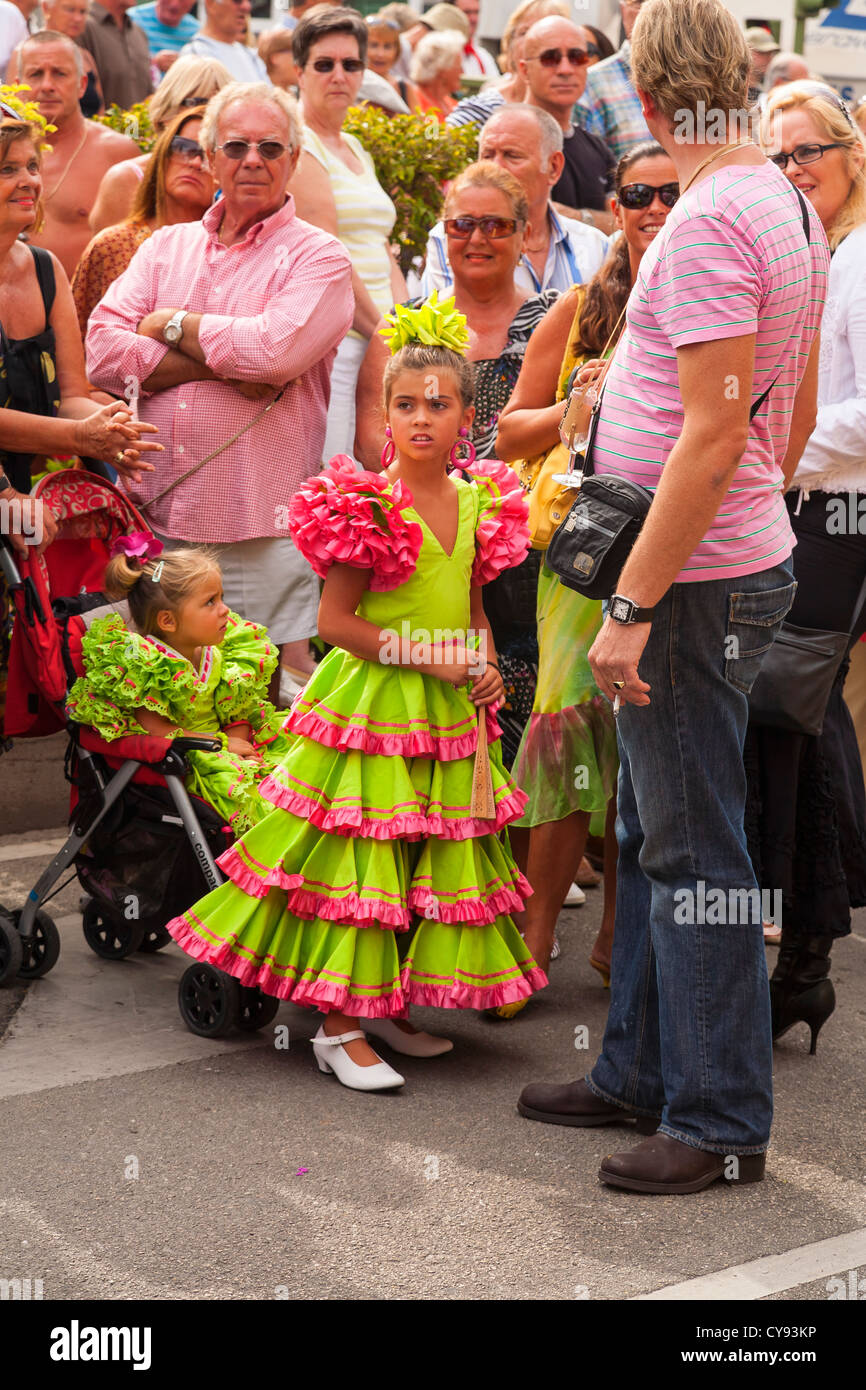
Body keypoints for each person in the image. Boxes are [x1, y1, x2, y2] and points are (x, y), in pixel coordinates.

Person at [517, 0, 829, 1195]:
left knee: (693, 843)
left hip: (691, 579)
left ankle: (714, 1119)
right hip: (724, 556)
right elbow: (775, 414)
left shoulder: (707, 220)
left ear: (642, 99)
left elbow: (710, 434)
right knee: (656, 830)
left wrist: (634, 602)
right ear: (737, 84)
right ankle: (640, 1071)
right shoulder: (780, 198)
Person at [163, 298, 544, 1092]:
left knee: (419, 856)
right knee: (360, 858)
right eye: (404, 404)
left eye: (439, 404)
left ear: (465, 417)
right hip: (372, 703)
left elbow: (473, 607)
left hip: (444, 708)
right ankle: (336, 1027)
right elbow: (335, 623)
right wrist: (426, 658)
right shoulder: (367, 504)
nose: (420, 418)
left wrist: (480, 666)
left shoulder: (480, 502)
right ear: (384, 414)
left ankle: (384, 1002)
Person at [85, 81, 353, 701]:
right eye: (235, 145)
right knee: (161, 701)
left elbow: (274, 353)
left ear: (294, 158)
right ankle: (161, 806)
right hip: (158, 521)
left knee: (263, 703)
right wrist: (222, 360)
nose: (252, 159)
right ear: (209, 157)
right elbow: (102, 351)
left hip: (259, 529)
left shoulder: (321, 258)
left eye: (269, 146)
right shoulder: (164, 247)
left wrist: (170, 324)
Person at [497, 140, 679, 1001]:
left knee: (636, 740)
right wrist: (581, 404)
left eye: (672, 193)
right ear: (615, 207)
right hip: (581, 552)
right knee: (566, 728)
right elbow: (506, 434)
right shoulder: (580, 306)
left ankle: (614, 935)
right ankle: (535, 940)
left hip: (675, 550)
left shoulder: (709, 299)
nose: (654, 207)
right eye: (637, 193)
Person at [744, 82, 866, 1050]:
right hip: (801, 508)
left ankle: (800, 958)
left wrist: (772, 445)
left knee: (789, 719)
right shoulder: (813, 252)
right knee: (800, 727)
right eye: (777, 157)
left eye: (809, 150)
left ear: (851, 150)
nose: (795, 170)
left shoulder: (862, 254)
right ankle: (800, 961)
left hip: (834, 515)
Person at [0, 106, 160, 546]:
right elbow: (71, 427)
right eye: (7, 169)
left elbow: (71, 395)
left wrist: (116, 429)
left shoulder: (45, 268)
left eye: (32, 166)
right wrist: (5, 497)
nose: (29, 180)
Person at [67, 544, 294, 832]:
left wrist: (241, 747)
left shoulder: (226, 651)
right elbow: (157, 731)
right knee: (262, 799)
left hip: (226, 746)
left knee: (301, 766)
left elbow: (237, 711)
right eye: (210, 602)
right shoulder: (146, 665)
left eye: (222, 597)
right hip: (187, 757)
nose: (225, 610)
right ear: (168, 621)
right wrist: (223, 747)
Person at [291, 6, 405, 463]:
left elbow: (381, 246)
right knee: (337, 475)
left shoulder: (354, 145)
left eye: (351, 64)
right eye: (324, 64)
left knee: (383, 477)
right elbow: (330, 260)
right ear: (299, 71)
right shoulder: (300, 145)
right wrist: (383, 330)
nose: (339, 75)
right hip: (339, 342)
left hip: (382, 335)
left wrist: (403, 322)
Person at [422, 104, 609, 298]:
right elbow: (447, 322)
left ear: (553, 167)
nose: (496, 168)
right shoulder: (450, 239)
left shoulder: (595, 247)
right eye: (487, 155)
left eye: (512, 156)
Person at [72, 105, 215, 336]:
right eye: (183, 147)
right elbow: (76, 342)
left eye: (210, 155)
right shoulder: (111, 246)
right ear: (162, 154)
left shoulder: (232, 255)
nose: (195, 163)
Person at [17, 31, 141, 279]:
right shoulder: (4, 150)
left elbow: (137, 252)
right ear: (18, 83)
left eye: (60, 73)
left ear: (82, 85)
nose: (47, 85)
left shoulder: (117, 152)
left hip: (85, 310)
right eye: (36, 74)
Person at [88, 54, 231, 234]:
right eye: (197, 104)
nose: (206, 116)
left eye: (216, 107)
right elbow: (107, 255)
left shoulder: (229, 183)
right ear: (167, 110)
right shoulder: (127, 179)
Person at [520, 15, 614, 229]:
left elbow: (622, 222)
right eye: (550, 58)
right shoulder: (503, 138)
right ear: (525, 70)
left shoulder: (597, 148)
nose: (565, 69)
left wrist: (577, 217)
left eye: (577, 57)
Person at [446, 0, 567, 132]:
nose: (533, 40)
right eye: (525, 32)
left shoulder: (571, 109)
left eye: (547, 33)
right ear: (510, 44)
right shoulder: (485, 110)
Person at [576, 0, 650, 162]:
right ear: (623, 10)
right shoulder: (591, 84)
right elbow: (590, 173)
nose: (651, 10)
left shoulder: (699, 77)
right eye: (640, 2)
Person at [7, 0, 104, 117]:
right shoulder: (24, 52)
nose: (78, 18)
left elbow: (100, 110)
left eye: (83, 12)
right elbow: (16, 111)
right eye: (70, 10)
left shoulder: (86, 56)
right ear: (46, 8)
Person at [78, 0, 153, 110]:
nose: (77, 15)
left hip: (136, 126)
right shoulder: (80, 26)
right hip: (98, 124)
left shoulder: (138, 32)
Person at [179, 0, 266, 83]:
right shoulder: (194, 54)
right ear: (210, 4)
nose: (246, 7)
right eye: (237, 1)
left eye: (249, 1)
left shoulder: (251, 55)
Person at [130, 0, 200, 82]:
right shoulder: (131, 20)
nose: (174, 4)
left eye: (182, 0)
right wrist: (153, 64)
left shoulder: (197, 32)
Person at [409, 28, 464, 119]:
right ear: (442, 68)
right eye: (459, 67)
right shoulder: (413, 101)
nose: (461, 72)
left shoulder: (454, 105)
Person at [365, 13, 416, 108]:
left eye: (387, 47)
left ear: (397, 51)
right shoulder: (352, 85)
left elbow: (419, 121)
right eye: (374, 45)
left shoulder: (404, 88)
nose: (381, 54)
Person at [447, 0, 498, 80]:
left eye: (476, 12)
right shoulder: (439, 57)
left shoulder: (484, 57)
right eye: (467, 12)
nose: (473, 19)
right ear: (450, 15)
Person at [745, 24, 779, 103]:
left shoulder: (764, 94)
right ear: (746, 52)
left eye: (771, 53)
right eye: (763, 53)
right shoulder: (729, 92)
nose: (770, 58)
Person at [257, 26, 297, 91]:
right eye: (296, 53)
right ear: (275, 58)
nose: (302, 60)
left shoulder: (291, 94)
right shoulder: (261, 98)